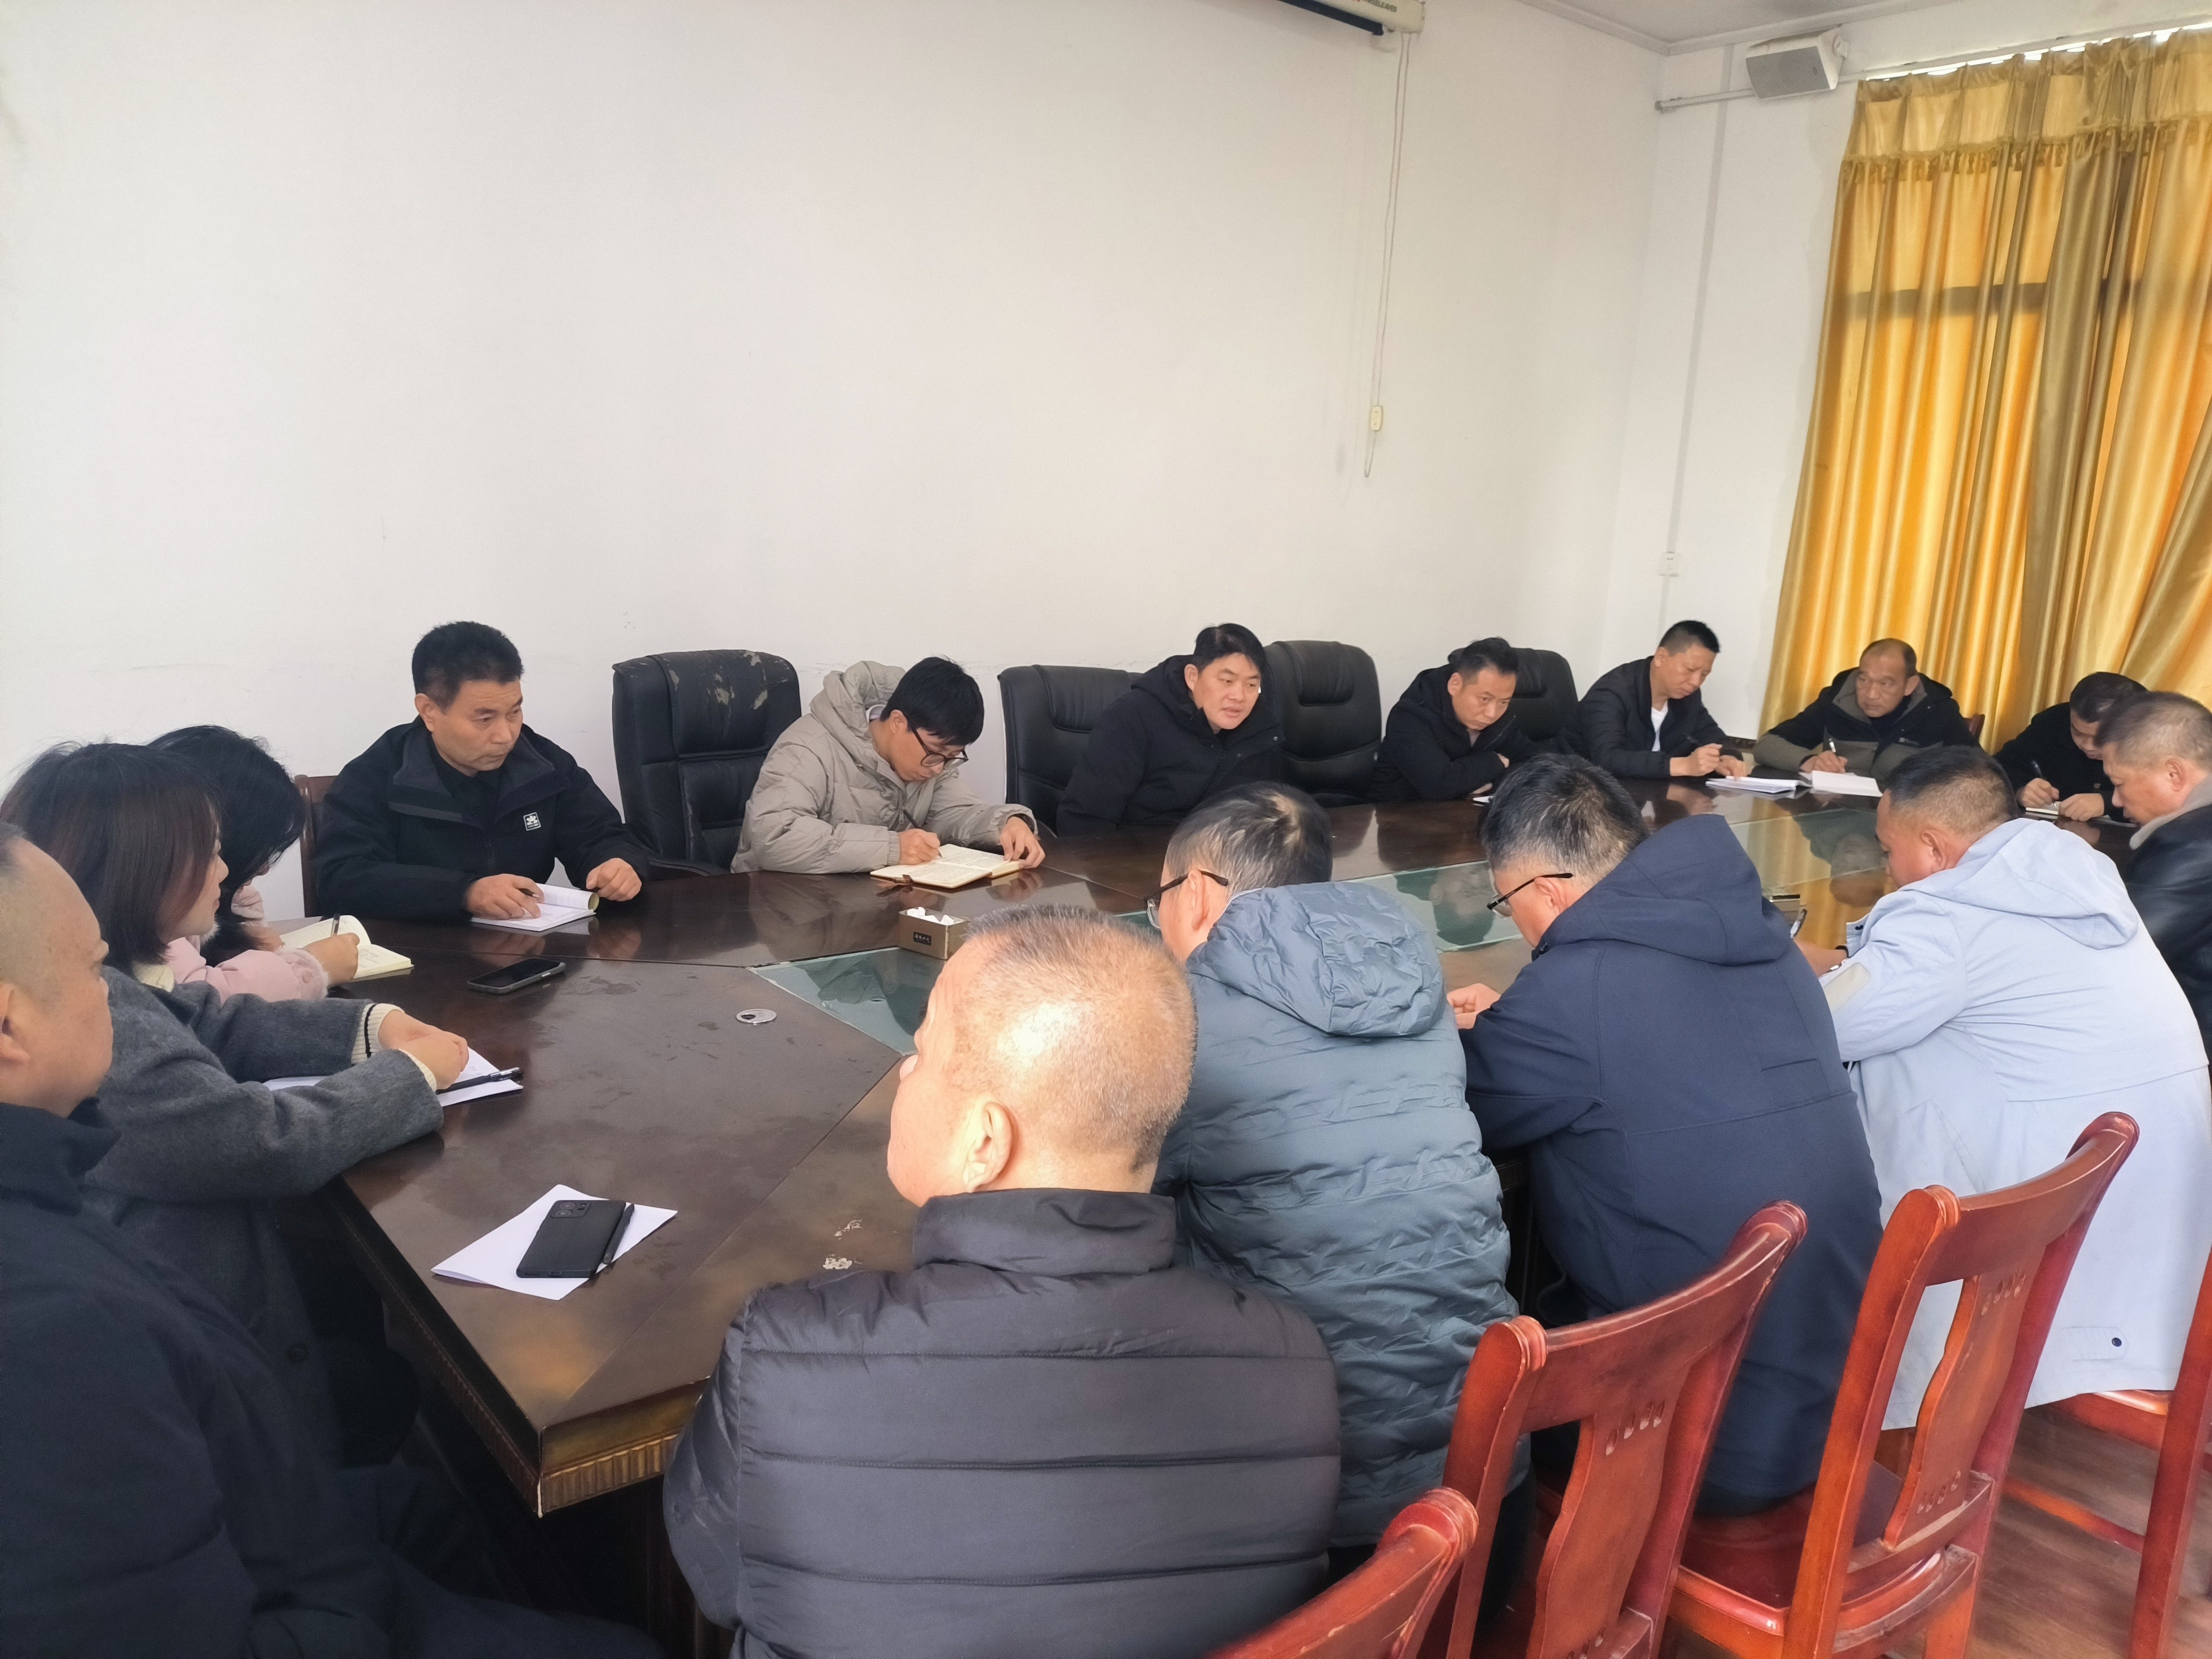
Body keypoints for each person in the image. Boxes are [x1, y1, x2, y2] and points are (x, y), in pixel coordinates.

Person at [0, 823, 662, 1658]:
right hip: (285, 1581)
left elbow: (196, 1019)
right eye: (93, 970)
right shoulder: (48, 1331)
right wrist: (353, 1606)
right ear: (10, 1028)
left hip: (271, 1504)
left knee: (436, 1507)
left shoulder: (45, 1172)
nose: (117, 998)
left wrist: (374, 1030)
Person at [663, 906, 1339, 1659]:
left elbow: (717, 1583)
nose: (903, 1070)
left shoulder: (788, 1354)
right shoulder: (1294, 1361)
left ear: (987, 1140)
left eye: (921, 1050)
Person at [2, 742, 467, 1451]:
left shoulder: (108, 983)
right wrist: (409, 1074)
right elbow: (260, 1143)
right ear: (143, 866)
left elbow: (211, 1020)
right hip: (213, 1378)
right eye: (211, 851)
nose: (227, 872)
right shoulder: (90, 1018)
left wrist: (368, 1026)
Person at [1454, 754, 1882, 1513]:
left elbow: (1467, 1107)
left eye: (1505, 902)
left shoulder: (1574, 991)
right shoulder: (1769, 945)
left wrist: (1492, 1029)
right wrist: (1523, 1023)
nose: (1515, 922)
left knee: (1458, 1397)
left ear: (1546, 890)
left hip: (1694, 1433)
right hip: (1833, 1406)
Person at [1149, 782, 1514, 1550]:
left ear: (1200, 894)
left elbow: (1108, 1199)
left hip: (1322, 1515)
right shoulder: (1416, 984)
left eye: (1161, 900)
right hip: (1487, 1472)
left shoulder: (1185, 1023)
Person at [1806, 747, 2212, 1420]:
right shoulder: (2074, 877)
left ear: (1932, 848)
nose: (1888, 869)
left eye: (1887, 849)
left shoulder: (1943, 916)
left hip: (2052, 1223)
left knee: (1853, 1106)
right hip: (2151, 1207)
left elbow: (1824, 1029)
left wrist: (1799, 973)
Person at [316, 620, 654, 921]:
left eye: (514, 712)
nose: (505, 735)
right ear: (429, 711)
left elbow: (601, 836)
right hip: (415, 956)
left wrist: (618, 863)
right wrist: (464, 893)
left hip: (530, 950)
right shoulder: (376, 776)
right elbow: (342, 879)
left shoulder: (543, 764)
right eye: (484, 719)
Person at [732, 656, 1043, 874]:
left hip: (861, 906)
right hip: (774, 909)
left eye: (952, 756)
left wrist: (1007, 823)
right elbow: (774, 836)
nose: (939, 768)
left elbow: (955, 813)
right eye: (936, 753)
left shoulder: (931, 763)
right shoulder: (809, 747)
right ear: (897, 722)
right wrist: (891, 848)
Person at [149, 725, 357, 1000]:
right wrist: (312, 967)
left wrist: (242, 934)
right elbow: (200, 1000)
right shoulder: (156, 913)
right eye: (213, 853)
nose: (264, 868)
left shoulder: (216, 901)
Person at [1056, 623, 1286, 836]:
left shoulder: (1261, 728)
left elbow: (1267, 815)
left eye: (1251, 685)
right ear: (1192, 677)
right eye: (1227, 681)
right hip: (1134, 856)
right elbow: (1084, 821)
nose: (1239, 696)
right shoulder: (1133, 717)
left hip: (1224, 858)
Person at [2101, 692, 2212, 1048]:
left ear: (2174, 774)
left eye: (2119, 783)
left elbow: (2122, 949)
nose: (2116, 801)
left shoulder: (2195, 844)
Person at [1753, 638, 1977, 781]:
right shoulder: (1839, 699)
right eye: (1863, 680)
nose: (1870, 694)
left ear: (1909, 685)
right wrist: (1810, 762)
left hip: (1906, 821)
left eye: (1885, 684)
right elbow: (1767, 744)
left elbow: (1980, 773)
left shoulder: (1937, 710)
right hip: (1837, 822)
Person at [1567, 620, 1751, 780]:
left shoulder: (1687, 696)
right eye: (1689, 670)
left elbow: (1711, 734)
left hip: (1643, 793)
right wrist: (1683, 766)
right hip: (1576, 791)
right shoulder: (1613, 692)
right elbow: (1607, 759)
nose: (1696, 682)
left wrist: (1728, 758)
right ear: (1661, 658)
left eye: (1704, 674)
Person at [1369, 637, 1540, 802]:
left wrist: (1491, 783)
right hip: (1398, 815)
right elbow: (1437, 785)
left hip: (1464, 814)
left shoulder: (1500, 716)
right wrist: (1494, 763)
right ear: (1455, 685)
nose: (1492, 714)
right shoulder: (1410, 716)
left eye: (1503, 702)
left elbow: (1535, 763)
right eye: (1484, 699)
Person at [1994, 671, 2143, 821]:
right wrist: (2020, 790)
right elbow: (1999, 767)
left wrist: (2108, 802)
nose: (2087, 746)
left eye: (2101, 738)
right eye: (2077, 733)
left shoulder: (2149, 733)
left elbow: (2156, 797)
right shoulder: (2054, 722)